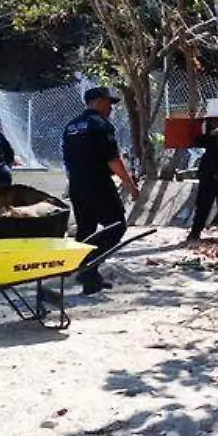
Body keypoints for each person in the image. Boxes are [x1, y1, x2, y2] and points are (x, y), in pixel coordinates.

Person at [62, 86, 141, 295]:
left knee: (86, 230)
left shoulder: (70, 126)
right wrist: (130, 185)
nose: (111, 109)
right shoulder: (100, 124)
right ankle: (88, 269)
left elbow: (68, 162)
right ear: (97, 102)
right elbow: (113, 160)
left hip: (77, 185)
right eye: (109, 103)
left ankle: (90, 280)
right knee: (116, 226)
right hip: (98, 183)